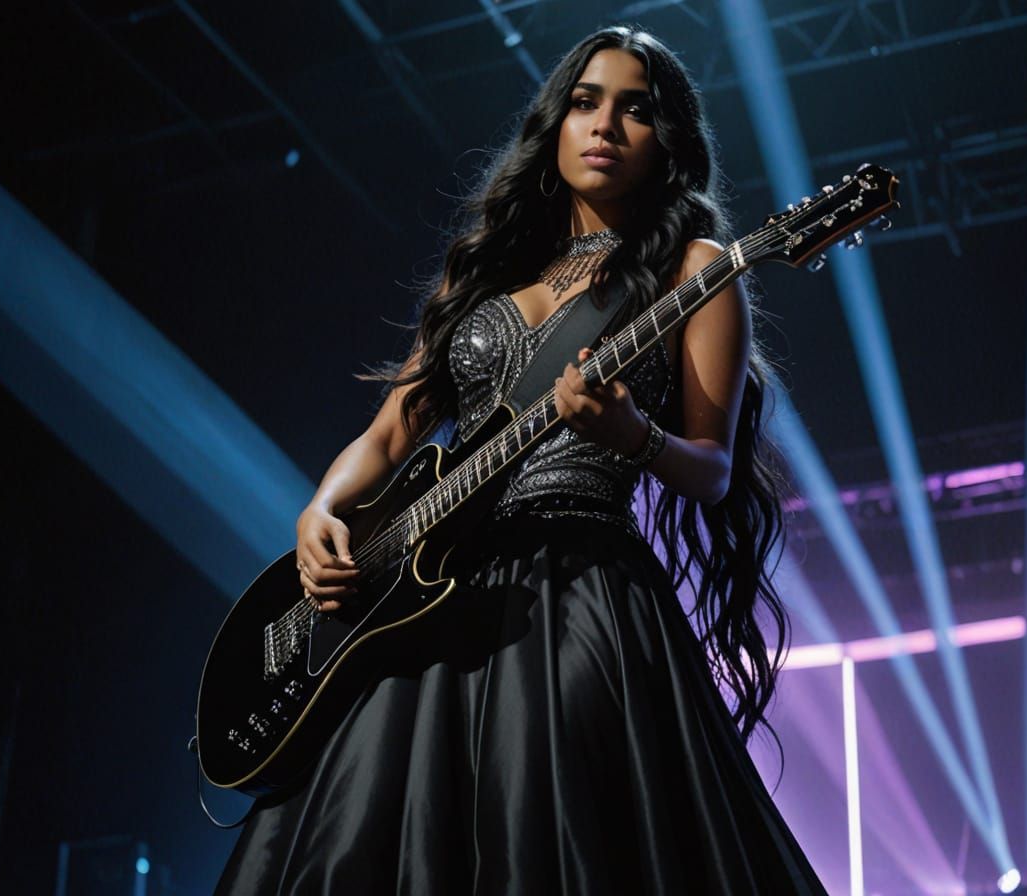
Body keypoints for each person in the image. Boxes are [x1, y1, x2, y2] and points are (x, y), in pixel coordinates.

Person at [215, 24, 827, 895]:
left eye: (636, 111)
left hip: (580, 593)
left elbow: (713, 469)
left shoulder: (697, 271)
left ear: (670, 145)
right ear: (556, 125)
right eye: (586, 103)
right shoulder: (486, 277)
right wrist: (321, 509)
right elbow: (394, 433)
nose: (605, 125)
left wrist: (634, 438)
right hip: (424, 600)